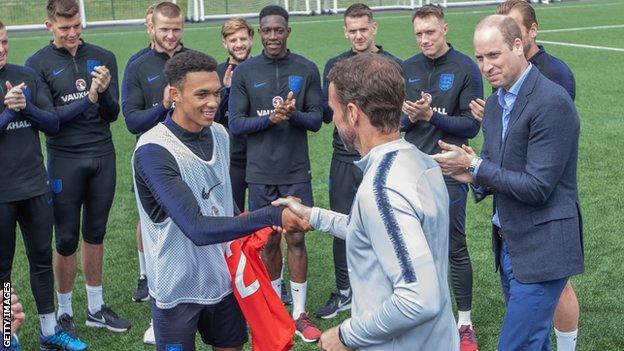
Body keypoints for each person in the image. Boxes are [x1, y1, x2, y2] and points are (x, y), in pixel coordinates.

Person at [274, 53, 459, 351]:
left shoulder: (382, 188)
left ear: (352, 112)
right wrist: (313, 215)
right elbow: (377, 232)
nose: (333, 119)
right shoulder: (420, 161)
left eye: (333, 111)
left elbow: (418, 299)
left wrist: (347, 335)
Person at [132, 49, 308, 351]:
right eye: (202, 94)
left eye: (216, 92)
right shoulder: (153, 151)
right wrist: (271, 216)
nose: (213, 102)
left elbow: (223, 201)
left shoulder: (220, 134)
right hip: (177, 289)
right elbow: (197, 228)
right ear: (174, 93)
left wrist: (258, 221)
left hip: (223, 280)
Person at [433, 15, 584, 350]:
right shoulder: (495, 103)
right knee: (535, 344)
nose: (485, 66)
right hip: (510, 245)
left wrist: (475, 164)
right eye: (480, 57)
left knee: (515, 345)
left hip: (544, 246)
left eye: (494, 55)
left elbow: (537, 186)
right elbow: (496, 168)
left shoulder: (551, 101)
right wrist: (469, 174)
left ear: (518, 47)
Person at [25, 0, 130, 335]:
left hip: (102, 155)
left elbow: (112, 114)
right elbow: (51, 123)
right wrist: (90, 97)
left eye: (76, 27)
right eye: (64, 28)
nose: (72, 34)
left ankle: (96, 307)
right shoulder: (36, 64)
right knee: (66, 237)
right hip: (64, 160)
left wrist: (104, 92)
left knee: (95, 232)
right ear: (49, 26)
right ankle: (66, 310)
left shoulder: (102, 56)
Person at [228, 4, 323, 342]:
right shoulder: (245, 72)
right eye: (266, 30)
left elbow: (316, 120)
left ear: (287, 31)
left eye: (278, 30)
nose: (272, 36)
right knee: (268, 239)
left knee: (295, 236)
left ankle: (299, 313)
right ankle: (275, 309)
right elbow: (236, 124)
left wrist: (292, 115)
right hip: (260, 172)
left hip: (295, 170)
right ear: (260, 31)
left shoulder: (306, 68)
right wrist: (270, 119)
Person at [1, 20, 92, 351]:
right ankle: (6, 333)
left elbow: (52, 122)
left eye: (3, 41)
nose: (1, 48)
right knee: (3, 270)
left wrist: (27, 107)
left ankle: (49, 330)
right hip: (1, 194)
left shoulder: (24, 74)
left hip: (35, 187)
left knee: (41, 259)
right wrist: (8, 113)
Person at [494, 2, 580, 350]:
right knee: (524, 309)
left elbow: (544, 144)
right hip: (510, 207)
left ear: (531, 31)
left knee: (558, 288)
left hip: (541, 208)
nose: (508, 36)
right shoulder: (503, 74)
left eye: (514, 29)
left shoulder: (554, 76)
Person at [400, 5, 482, 349]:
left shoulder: (465, 68)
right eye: (419, 34)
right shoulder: (407, 67)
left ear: (444, 29)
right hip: (411, 169)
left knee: (454, 245)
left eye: (430, 32)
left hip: (449, 169)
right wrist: (411, 117)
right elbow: (398, 124)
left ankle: (464, 322)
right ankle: (424, 314)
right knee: (413, 246)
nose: (424, 40)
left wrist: (431, 114)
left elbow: (472, 126)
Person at [317, 2, 402, 321]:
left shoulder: (392, 64)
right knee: (343, 223)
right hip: (344, 158)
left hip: (382, 159)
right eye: (352, 31)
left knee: (387, 223)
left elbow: (400, 113)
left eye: (363, 29)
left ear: (374, 28)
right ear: (345, 31)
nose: (358, 36)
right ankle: (344, 290)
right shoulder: (335, 64)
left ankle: (391, 287)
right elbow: (327, 115)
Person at [470, 0, 576, 122]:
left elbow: (553, 126)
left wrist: (495, 118)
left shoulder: (555, 72)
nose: (505, 37)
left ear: (532, 30)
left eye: (513, 29)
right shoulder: (504, 68)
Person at [123, 2, 156, 308]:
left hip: (186, 152)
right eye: (152, 23)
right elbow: (132, 119)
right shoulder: (137, 63)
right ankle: (146, 275)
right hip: (149, 154)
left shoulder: (186, 59)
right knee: (146, 217)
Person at [216, 17, 253, 214]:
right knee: (230, 217)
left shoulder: (261, 68)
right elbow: (211, 118)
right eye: (233, 40)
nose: (239, 45)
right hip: (229, 160)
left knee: (268, 223)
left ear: (251, 39)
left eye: (242, 39)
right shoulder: (215, 73)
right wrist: (226, 91)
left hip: (259, 159)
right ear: (225, 43)